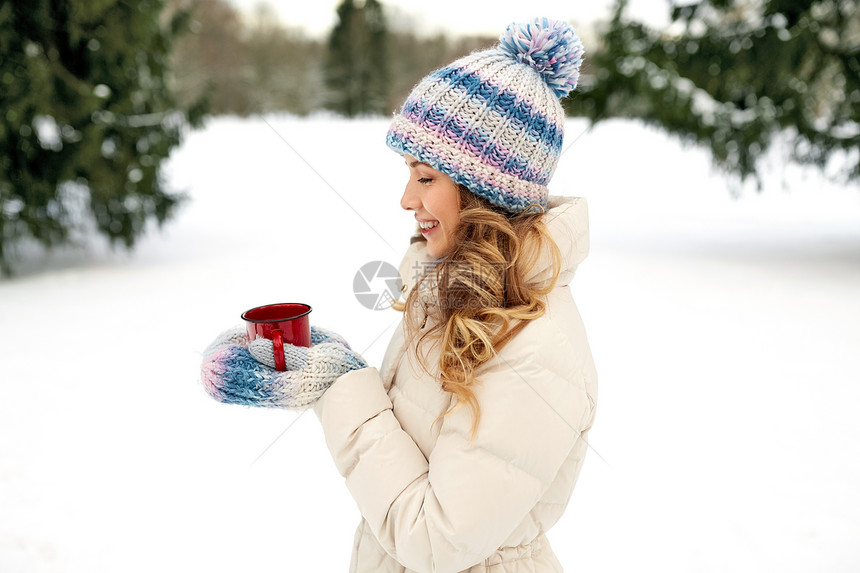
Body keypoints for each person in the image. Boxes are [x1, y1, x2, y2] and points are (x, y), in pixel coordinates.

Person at [201, 17, 598, 572]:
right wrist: (323, 363)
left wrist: (339, 389)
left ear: (484, 190)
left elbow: (434, 541)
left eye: (426, 177)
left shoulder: (535, 350)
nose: (406, 199)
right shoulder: (457, 299)